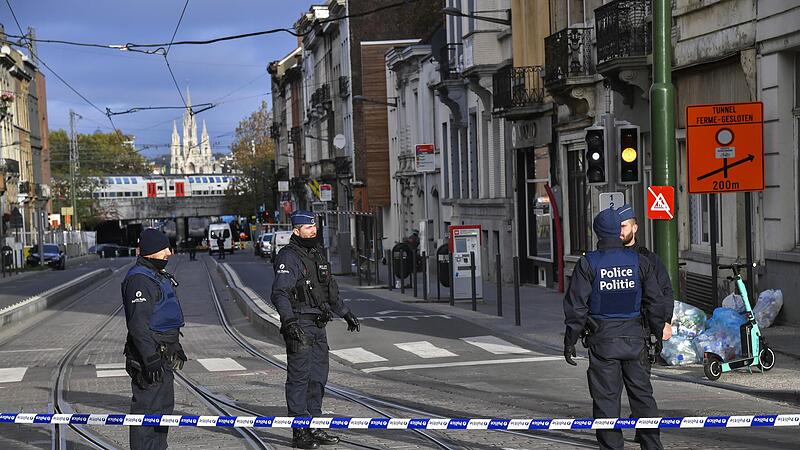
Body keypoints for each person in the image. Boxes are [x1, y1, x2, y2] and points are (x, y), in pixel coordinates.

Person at [563, 208, 665, 450]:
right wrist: (657, 334)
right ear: (618, 232)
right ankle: (652, 446)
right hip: (636, 340)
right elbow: (656, 301)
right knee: (643, 399)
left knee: (606, 403)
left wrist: (570, 341)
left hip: (603, 342)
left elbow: (576, 307)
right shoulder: (640, 262)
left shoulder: (588, 263)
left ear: (597, 232)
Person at [270, 210, 361, 449]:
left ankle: (314, 425)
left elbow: (329, 289)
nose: (313, 231)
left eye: (314, 227)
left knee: (318, 379)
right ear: (296, 230)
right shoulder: (288, 257)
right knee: (300, 379)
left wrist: (345, 313)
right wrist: (289, 322)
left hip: (319, 325)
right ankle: (300, 432)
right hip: (300, 324)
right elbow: (280, 293)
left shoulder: (317, 254)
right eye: (308, 228)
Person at [122, 229, 187, 450]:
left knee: (162, 410)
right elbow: (138, 324)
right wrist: (149, 357)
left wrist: (174, 346)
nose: (169, 252)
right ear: (150, 251)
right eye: (164, 249)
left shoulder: (156, 275)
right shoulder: (140, 280)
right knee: (146, 412)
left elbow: (162, 316)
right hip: (149, 359)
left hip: (163, 355)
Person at [617, 204, 674, 342]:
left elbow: (664, 291)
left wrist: (664, 321)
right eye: (617, 227)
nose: (619, 231)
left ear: (634, 228)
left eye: (623, 226)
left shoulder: (649, 259)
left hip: (641, 327)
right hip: (612, 328)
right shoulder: (604, 258)